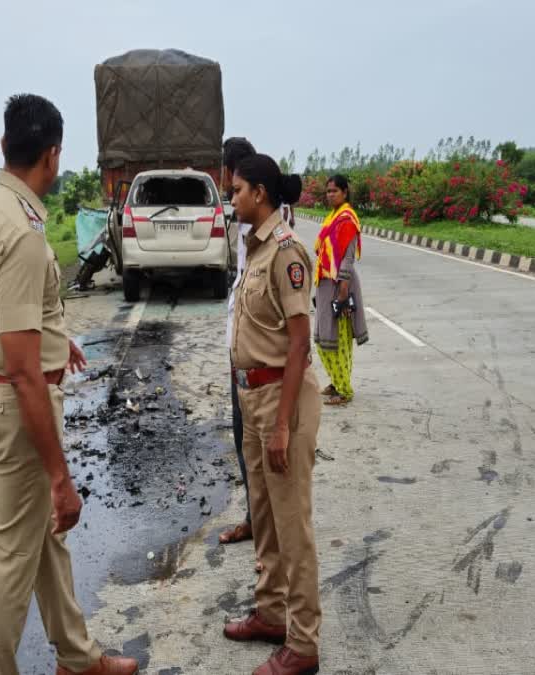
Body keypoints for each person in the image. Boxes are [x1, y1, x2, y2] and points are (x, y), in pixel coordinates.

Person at [0, 94, 137, 675]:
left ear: (5, 146)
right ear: (53, 156)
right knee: (12, 553)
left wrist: (58, 341)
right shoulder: (25, 233)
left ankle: (78, 658)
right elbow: (25, 368)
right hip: (16, 399)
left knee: (45, 539)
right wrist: (61, 477)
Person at [223, 154, 323, 675]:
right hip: (252, 396)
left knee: (292, 525)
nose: (231, 197)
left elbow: (300, 344)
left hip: (282, 401)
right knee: (263, 517)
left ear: (259, 193)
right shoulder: (253, 249)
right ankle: (271, 613)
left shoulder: (287, 253)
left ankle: (303, 644)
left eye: (236, 189)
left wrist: (283, 424)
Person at [218, 136, 258, 552]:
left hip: (252, 356)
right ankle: (257, 519)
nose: (233, 197)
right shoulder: (251, 224)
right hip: (240, 348)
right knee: (246, 439)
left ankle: (264, 528)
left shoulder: (266, 232)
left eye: (235, 191)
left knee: (252, 440)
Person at [314, 174, 369, 406]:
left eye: (334, 191)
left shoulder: (347, 219)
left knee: (339, 338)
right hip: (327, 283)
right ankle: (337, 381)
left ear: (345, 192)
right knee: (324, 337)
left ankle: (344, 390)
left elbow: (348, 257)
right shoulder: (333, 216)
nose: (330, 195)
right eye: (328, 191)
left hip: (340, 284)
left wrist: (343, 290)